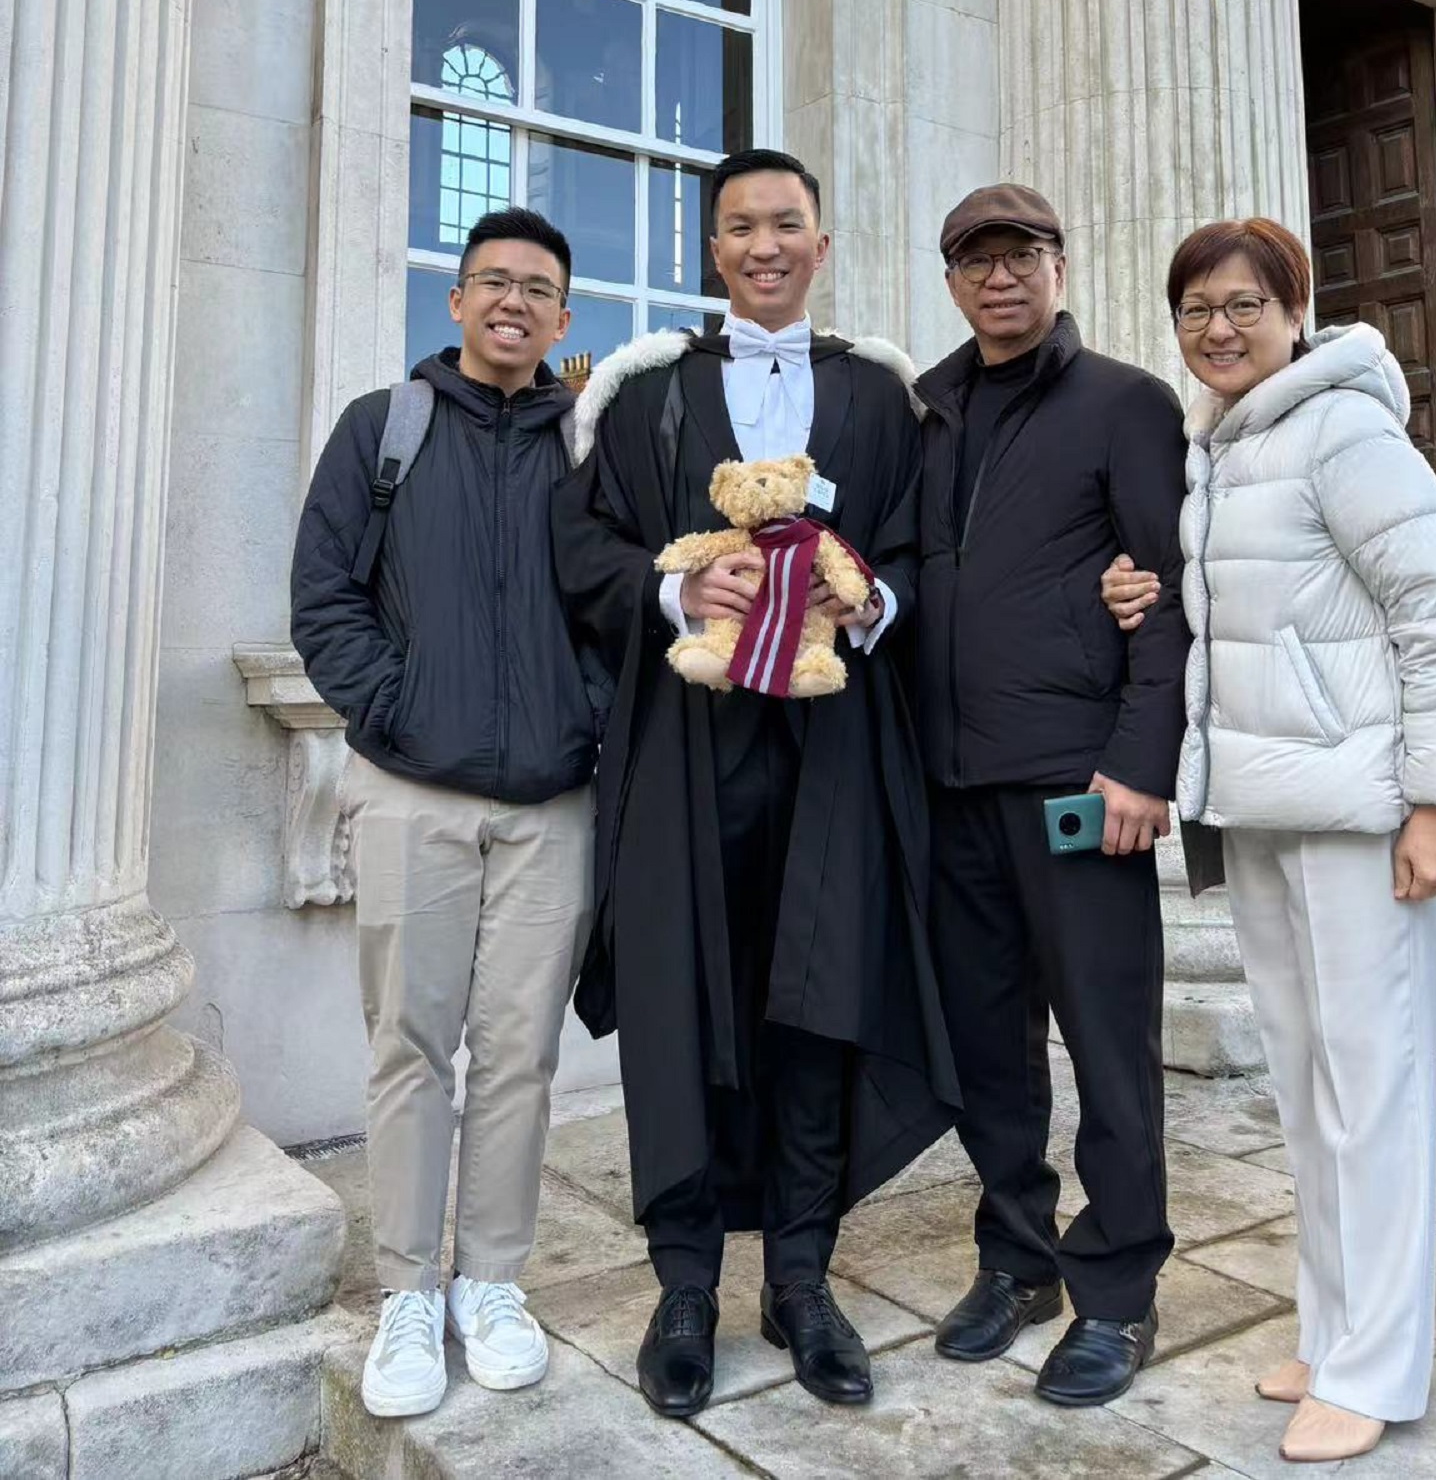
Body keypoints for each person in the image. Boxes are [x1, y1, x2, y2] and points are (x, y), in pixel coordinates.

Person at [553, 147, 959, 1421]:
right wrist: (679, 590)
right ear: (711, 251)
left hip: (835, 746)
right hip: (687, 742)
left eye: (788, 224)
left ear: (821, 246)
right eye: (741, 228)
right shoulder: (643, 398)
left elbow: (919, 551)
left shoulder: (882, 402)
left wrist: (869, 598)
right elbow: (587, 547)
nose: (766, 245)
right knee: (681, 1004)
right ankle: (684, 1285)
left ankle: (800, 1274)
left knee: (814, 1000)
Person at [1102, 216, 1436, 1464]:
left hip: (1358, 817)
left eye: (1240, 305)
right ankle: (1334, 1331)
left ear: (1294, 308)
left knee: (1372, 1093)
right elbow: (1261, 614)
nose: (1215, 330)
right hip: (1263, 814)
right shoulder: (1215, 448)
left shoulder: (1343, 430)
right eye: (1194, 311)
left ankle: (1379, 1368)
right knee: (1309, 1092)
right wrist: (1145, 591)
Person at [291, 207, 598, 1419]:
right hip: (412, 793)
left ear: (564, 322)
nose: (514, 303)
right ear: (459, 301)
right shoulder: (387, 429)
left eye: (538, 290)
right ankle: (409, 1291)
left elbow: (621, 605)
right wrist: (395, 709)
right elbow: (324, 597)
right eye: (493, 284)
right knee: (410, 1049)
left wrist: (589, 717)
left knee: (519, 1055)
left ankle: (494, 1281)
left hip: (550, 803)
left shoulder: (587, 449)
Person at [913, 184, 1190, 1410]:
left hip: (1081, 783)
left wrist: (1139, 760)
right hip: (951, 786)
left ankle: (1117, 1291)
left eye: (1021, 254)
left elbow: (1169, 594)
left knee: (1108, 1046)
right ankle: (1015, 1259)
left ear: (1059, 267)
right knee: (989, 1051)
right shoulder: (921, 408)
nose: (999, 277)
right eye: (976, 260)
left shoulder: (1127, 403)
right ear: (954, 282)